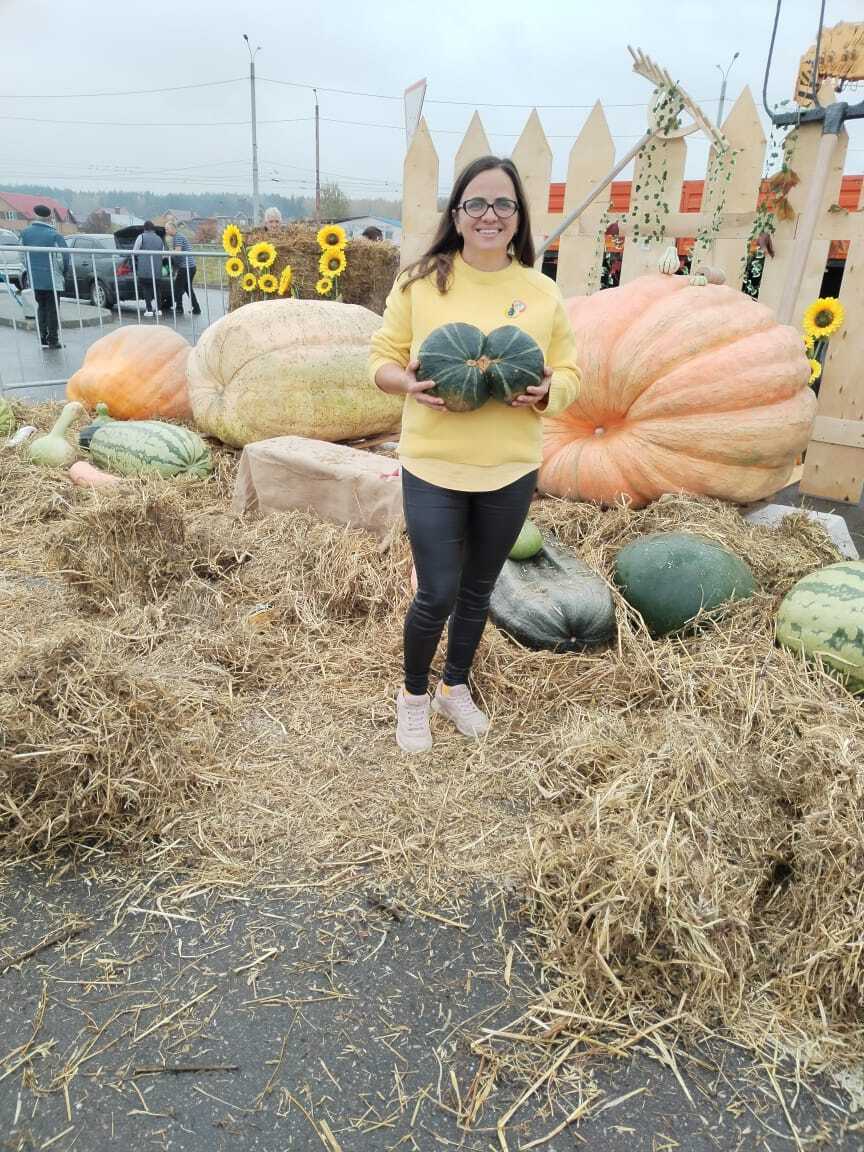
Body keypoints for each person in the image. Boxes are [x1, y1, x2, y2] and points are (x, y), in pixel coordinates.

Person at [369, 155, 581, 754]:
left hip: (509, 467)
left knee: (478, 592)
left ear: (519, 217)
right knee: (436, 591)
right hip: (433, 464)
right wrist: (403, 383)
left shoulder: (540, 292)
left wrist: (549, 392)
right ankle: (413, 695)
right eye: (477, 204)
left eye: (503, 204)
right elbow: (380, 357)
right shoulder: (421, 282)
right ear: (457, 214)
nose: (490, 215)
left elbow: (570, 372)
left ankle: (453, 687)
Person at [20, 204, 69, 350]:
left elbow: (22, 256)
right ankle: (53, 340)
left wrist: (31, 269)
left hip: (35, 279)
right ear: (48, 218)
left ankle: (43, 337)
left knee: (41, 307)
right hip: (53, 279)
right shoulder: (55, 235)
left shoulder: (25, 233)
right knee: (52, 310)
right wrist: (62, 272)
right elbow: (63, 258)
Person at [164, 220, 200, 316]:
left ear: (172, 228)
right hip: (191, 266)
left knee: (177, 287)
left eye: (167, 229)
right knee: (188, 288)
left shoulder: (178, 237)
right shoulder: (179, 236)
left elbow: (178, 252)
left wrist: (165, 255)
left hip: (186, 267)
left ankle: (179, 308)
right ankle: (196, 308)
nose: (166, 231)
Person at [132, 221, 165, 317]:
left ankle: (149, 310)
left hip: (144, 270)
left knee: (146, 288)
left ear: (144, 228)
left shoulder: (141, 237)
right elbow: (163, 255)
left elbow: (134, 252)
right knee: (157, 289)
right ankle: (158, 310)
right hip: (157, 270)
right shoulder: (159, 239)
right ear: (153, 228)